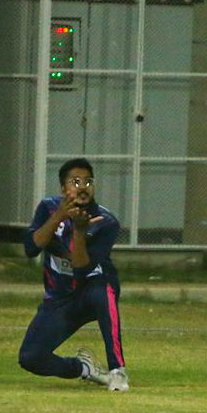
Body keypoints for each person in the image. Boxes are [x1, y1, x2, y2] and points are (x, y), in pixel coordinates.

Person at [18, 157, 129, 391]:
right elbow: (31, 248)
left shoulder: (106, 222)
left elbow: (81, 268)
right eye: (75, 182)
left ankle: (117, 370)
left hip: (91, 290)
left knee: (104, 291)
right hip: (60, 297)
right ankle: (86, 369)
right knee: (30, 357)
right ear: (62, 189)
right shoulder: (48, 207)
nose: (83, 187)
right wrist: (58, 216)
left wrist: (79, 231)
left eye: (88, 182)